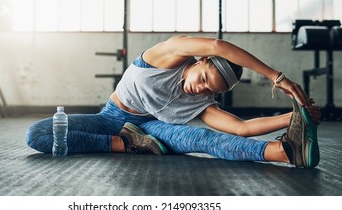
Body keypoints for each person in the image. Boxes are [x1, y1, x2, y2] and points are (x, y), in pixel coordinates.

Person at [26, 35, 321, 168]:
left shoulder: (199, 100)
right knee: (37, 134)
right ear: (201, 61)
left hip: (152, 130)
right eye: (203, 78)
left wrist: (295, 117)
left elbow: (240, 128)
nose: (199, 89)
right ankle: (126, 144)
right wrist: (276, 76)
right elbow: (218, 45)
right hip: (112, 118)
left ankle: (285, 152)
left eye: (209, 91)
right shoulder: (169, 54)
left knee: (205, 139)